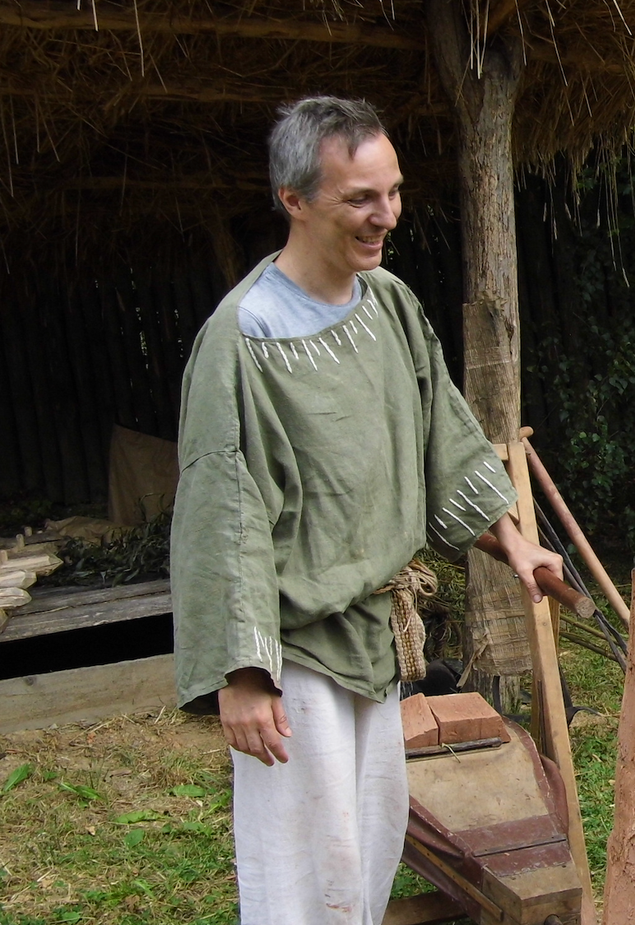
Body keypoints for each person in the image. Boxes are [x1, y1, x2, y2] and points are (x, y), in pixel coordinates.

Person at [170, 96, 562, 925]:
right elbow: (221, 511)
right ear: (294, 199)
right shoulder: (243, 337)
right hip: (296, 648)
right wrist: (241, 675)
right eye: (359, 198)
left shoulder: (386, 304)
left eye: (391, 191)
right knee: (305, 878)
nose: (385, 215)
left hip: (376, 636)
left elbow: (441, 436)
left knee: (370, 854)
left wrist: (513, 543)